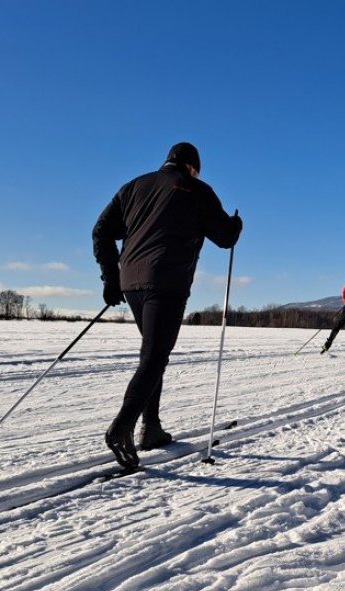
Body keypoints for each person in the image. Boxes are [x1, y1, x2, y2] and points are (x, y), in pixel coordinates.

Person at [93, 142, 242, 468]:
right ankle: (122, 427)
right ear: (192, 167)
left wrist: (111, 278)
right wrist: (236, 225)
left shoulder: (134, 186)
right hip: (167, 282)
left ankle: (152, 427)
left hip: (131, 283)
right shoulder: (197, 189)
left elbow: (101, 231)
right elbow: (225, 237)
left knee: (152, 354)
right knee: (155, 356)